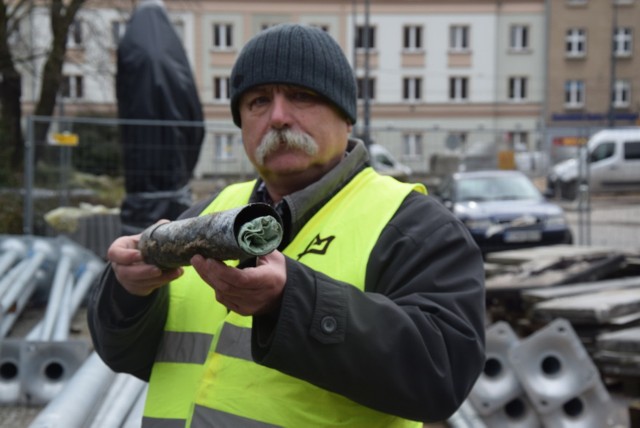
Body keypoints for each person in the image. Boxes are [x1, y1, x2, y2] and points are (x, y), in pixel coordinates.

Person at [88, 23, 485, 428]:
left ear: (346, 116)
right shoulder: (206, 215)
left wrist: (291, 302)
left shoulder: (413, 225)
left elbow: (442, 375)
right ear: (241, 123)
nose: (278, 117)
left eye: (301, 96)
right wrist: (127, 293)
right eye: (259, 101)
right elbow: (127, 356)